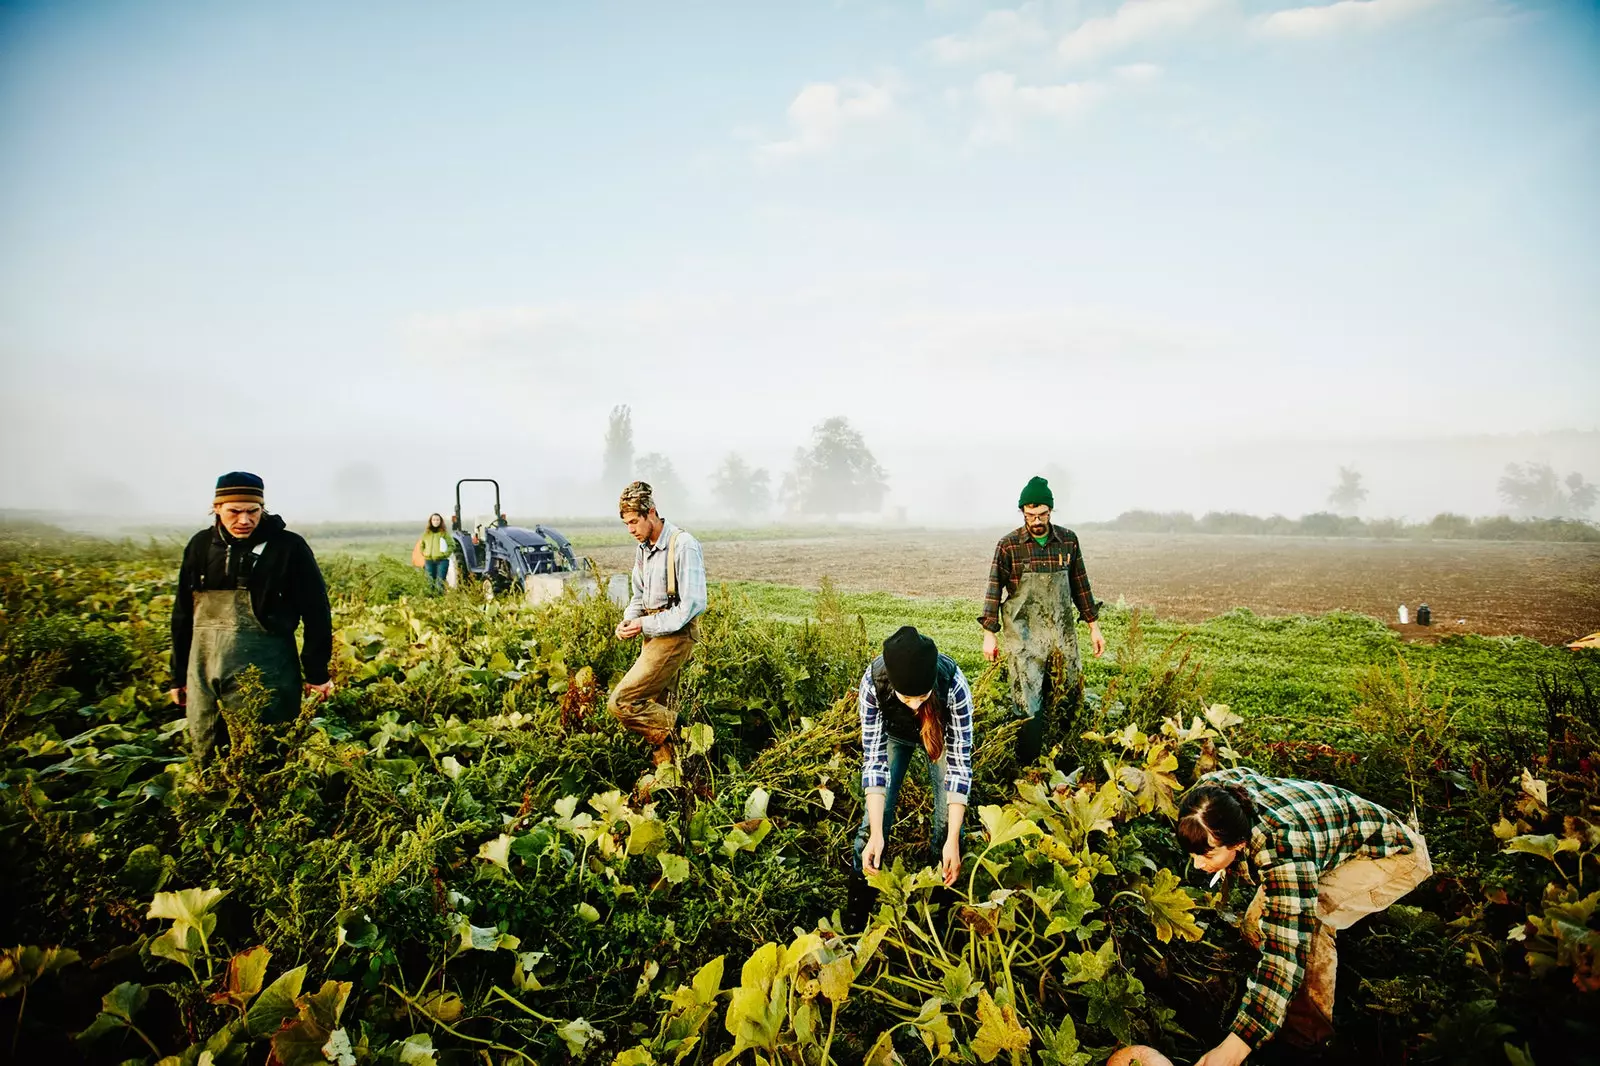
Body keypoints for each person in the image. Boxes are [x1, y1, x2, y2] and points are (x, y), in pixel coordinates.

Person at [1178, 768, 1433, 1063]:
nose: (1197, 865)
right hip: (1331, 839)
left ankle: (1310, 1041)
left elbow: (1284, 955)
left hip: (1394, 856)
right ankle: (1287, 1004)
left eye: (1207, 856)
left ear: (1238, 843)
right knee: (1256, 923)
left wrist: (1234, 1048)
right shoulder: (1207, 801)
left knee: (1309, 927)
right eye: (1193, 854)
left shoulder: (1284, 848)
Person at [169, 472, 334, 764]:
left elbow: (316, 611)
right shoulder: (200, 546)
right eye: (234, 511)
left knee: (268, 755)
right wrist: (178, 675)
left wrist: (317, 673)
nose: (244, 520)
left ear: (262, 509)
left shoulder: (288, 547)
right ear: (217, 508)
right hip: (204, 672)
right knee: (208, 749)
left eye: (252, 511)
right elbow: (183, 613)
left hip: (269, 673)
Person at [847, 625, 975, 931]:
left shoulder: (954, 686)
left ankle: (939, 915)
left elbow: (959, 768)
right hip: (895, 735)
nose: (916, 705)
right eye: (908, 698)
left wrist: (953, 839)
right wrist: (878, 832)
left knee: (946, 831)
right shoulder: (873, 684)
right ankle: (856, 917)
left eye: (922, 697)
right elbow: (874, 764)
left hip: (939, 733)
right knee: (869, 830)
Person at [979, 475, 1106, 766]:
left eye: (1042, 514)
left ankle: (1063, 761)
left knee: (1066, 694)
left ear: (1051, 511)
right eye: (1030, 514)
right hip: (1023, 636)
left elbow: (1080, 586)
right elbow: (993, 588)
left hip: (1062, 635)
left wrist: (1093, 627)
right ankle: (1027, 767)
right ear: (1022, 512)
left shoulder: (1068, 541)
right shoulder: (1009, 545)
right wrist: (990, 633)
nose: (1036, 520)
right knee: (1027, 699)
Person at [608, 481, 707, 766]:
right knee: (657, 705)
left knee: (623, 703)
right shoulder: (643, 548)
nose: (631, 530)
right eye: (626, 524)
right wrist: (629, 620)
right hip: (652, 633)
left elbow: (691, 605)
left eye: (634, 522)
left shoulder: (683, 545)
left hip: (676, 634)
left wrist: (644, 625)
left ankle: (687, 732)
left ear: (651, 512)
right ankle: (672, 775)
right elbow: (639, 596)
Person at [415, 513, 452, 592]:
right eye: (434, 520)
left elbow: (452, 545)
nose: (436, 521)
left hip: (442, 561)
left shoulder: (444, 534)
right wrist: (424, 553)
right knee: (430, 583)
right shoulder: (426, 534)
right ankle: (431, 601)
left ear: (440, 521)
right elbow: (422, 545)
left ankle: (440, 600)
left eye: (437, 520)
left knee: (440, 583)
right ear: (431, 521)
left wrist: (445, 554)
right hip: (429, 561)